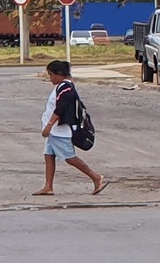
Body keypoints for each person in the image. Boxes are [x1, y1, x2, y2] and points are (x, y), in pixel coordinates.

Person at [35, 59, 107, 197]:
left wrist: (49, 126)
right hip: (55, 131)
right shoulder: (63, 86)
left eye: (51, 75)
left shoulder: (65, 88)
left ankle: (96, 177)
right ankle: (48, 186)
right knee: (48, 155)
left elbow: (60, 109)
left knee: (70, 158)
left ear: (60, 74)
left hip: (59, 130)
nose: (50, 78)